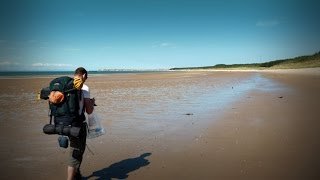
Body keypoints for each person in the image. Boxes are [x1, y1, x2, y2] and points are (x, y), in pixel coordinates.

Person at [67, 67, 95, 180]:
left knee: (75, 150)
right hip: (78, 125)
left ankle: (77, 174)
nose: (86, 79)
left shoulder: (67, 85)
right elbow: (89, 111)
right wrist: (92, 103)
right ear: (83, 75)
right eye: (86, 77)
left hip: (65, 123)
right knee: (76, 152)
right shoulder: (84, 87)